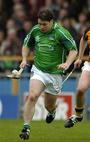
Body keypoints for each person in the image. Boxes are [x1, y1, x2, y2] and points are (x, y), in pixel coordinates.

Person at [19, 9, 77, 140]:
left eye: (44, 24)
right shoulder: (35, 30)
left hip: (55, 74)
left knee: (48, 105)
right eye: (39, 23)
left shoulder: (61, 32)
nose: (41, 27)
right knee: (32, 96)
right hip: (39, 70)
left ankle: (52, 111)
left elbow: (73, 50)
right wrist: (24, 59)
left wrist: (67, 63)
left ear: (51, 22)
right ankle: (26, 128)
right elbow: (26, 45)